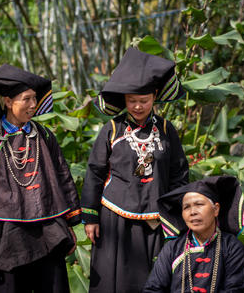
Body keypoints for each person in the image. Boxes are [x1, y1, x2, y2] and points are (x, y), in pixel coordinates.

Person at [0, 64, 81, 292]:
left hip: (49, 229)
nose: (33, 105)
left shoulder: (44, 135)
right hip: (8, 235)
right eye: (26, 99)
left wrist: (69, 224)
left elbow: (63, 178)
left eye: (35, 98)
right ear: (8, 101)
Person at [81, 47, 190, 293]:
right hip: (114, 218)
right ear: (124, 99)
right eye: (132, 101)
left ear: (154, 96)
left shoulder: (165, 128)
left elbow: (179, 172)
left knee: (152, 280)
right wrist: (90, 217)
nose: (138, 107)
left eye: (144, 101)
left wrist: (175, 212)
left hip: (156, 217)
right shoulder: (112, 129)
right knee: (113, 280)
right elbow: (95, 172)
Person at [143, 175, 244, 293]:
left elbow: (235, 289)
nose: (192, 212)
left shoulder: (232, 247)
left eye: (199, 205)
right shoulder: (172, 249)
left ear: (216, 209)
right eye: (186, 207)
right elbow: (153, 289)